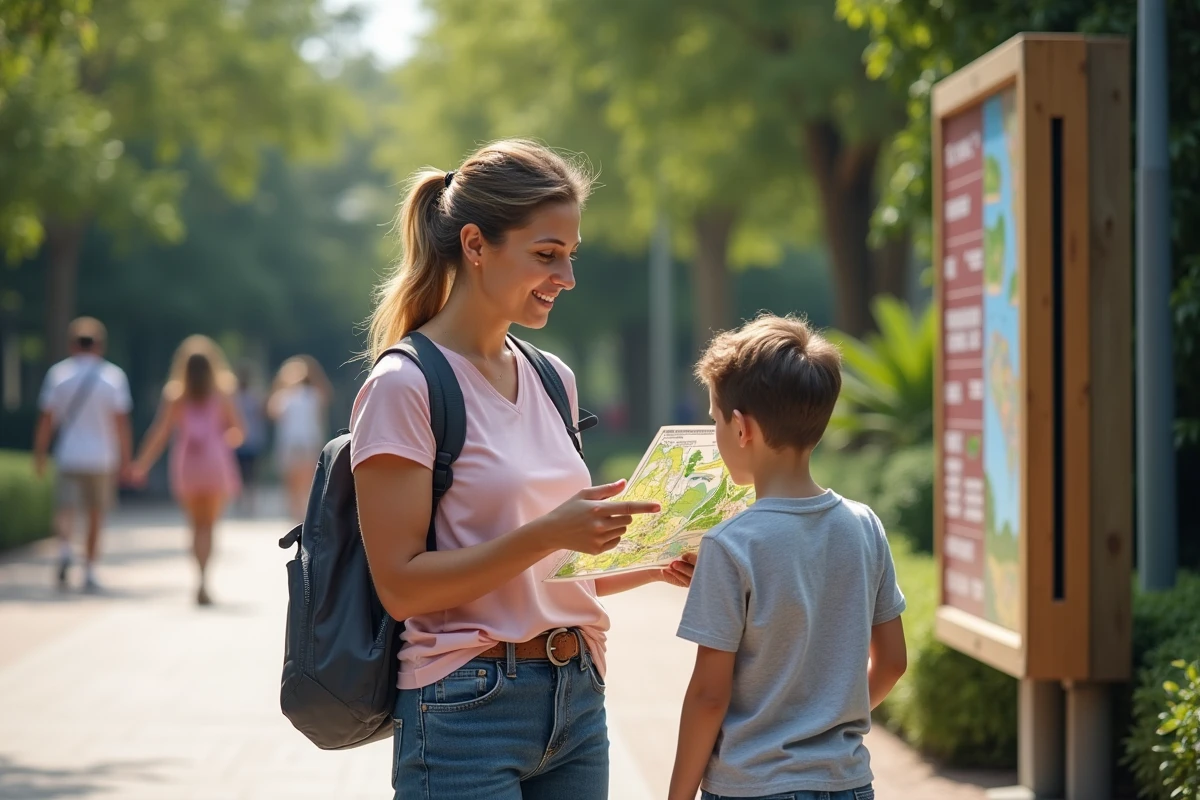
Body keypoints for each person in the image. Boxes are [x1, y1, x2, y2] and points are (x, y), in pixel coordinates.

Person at [351, 139, 695, 800]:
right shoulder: (405, 385)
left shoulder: (551, 378)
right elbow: (401, 587)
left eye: (571, 255)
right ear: (476, 245)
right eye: (546, 255)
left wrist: (652, 561)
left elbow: (544, 574)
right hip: (464, 707)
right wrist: (551, 531)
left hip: (577, 700)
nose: (565, 277)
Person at [668, 314, 909, 800]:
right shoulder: (864, 525)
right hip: (848, 783)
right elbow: (892, 664)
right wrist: (824, 720)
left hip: (753, 786)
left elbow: (708, 696)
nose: (715, 433)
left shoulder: (730, 543)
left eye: (715, 420)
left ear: (741, 428)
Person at [130, 335, 244, 606]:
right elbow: (238, 431)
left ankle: (198, 577)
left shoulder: (175, 394)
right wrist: (219, 441)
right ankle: (205, 579)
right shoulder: (223, 392)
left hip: (187, 465)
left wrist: (141, 463)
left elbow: (160, 433)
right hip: (215, 464)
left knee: (194, 526)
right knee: (209, 526)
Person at [32, 316, 133, 592]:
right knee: (95, 514)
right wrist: (126, 460)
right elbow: (121, 424)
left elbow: (46, 419)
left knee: (65, 508)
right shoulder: (113, 377)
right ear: (100, 345)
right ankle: (89, 568)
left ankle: (65, 550)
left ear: (72, 345)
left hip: (68, 454)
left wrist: (39, 454)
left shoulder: (59, 375)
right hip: (102, 457)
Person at [269, 355, 331, 520]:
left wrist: (279, 383)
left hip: (291, 444)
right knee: (308, 483)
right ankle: (304, 516)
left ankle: (297, 516)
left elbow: (271, 411)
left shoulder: (284, 396)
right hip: (308, 443)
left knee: (292, 484)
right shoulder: (313, 395)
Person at [233, 363, 269, 516]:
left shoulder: (248, 397)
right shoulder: (234, 398)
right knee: (241, 473)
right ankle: (242, 501)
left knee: (249, 474)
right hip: (240, 442)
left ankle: (247, 502)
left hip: (250, 442)